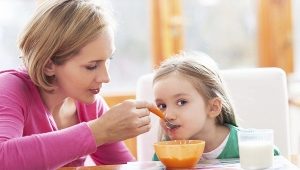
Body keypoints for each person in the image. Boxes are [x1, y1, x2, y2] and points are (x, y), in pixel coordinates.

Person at [0, 0, 153, 169]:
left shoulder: (90, 106)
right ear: (48, 65)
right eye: (92, 66)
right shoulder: (10, 88)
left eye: (108, 60)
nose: (105, 77)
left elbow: (125, 165)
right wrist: (98, 131)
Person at [151, 52, 279, 161]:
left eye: (181, 102)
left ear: (213, 107)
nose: (168, 115)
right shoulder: (165, 155)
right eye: (162, 106)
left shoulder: (250, 146)